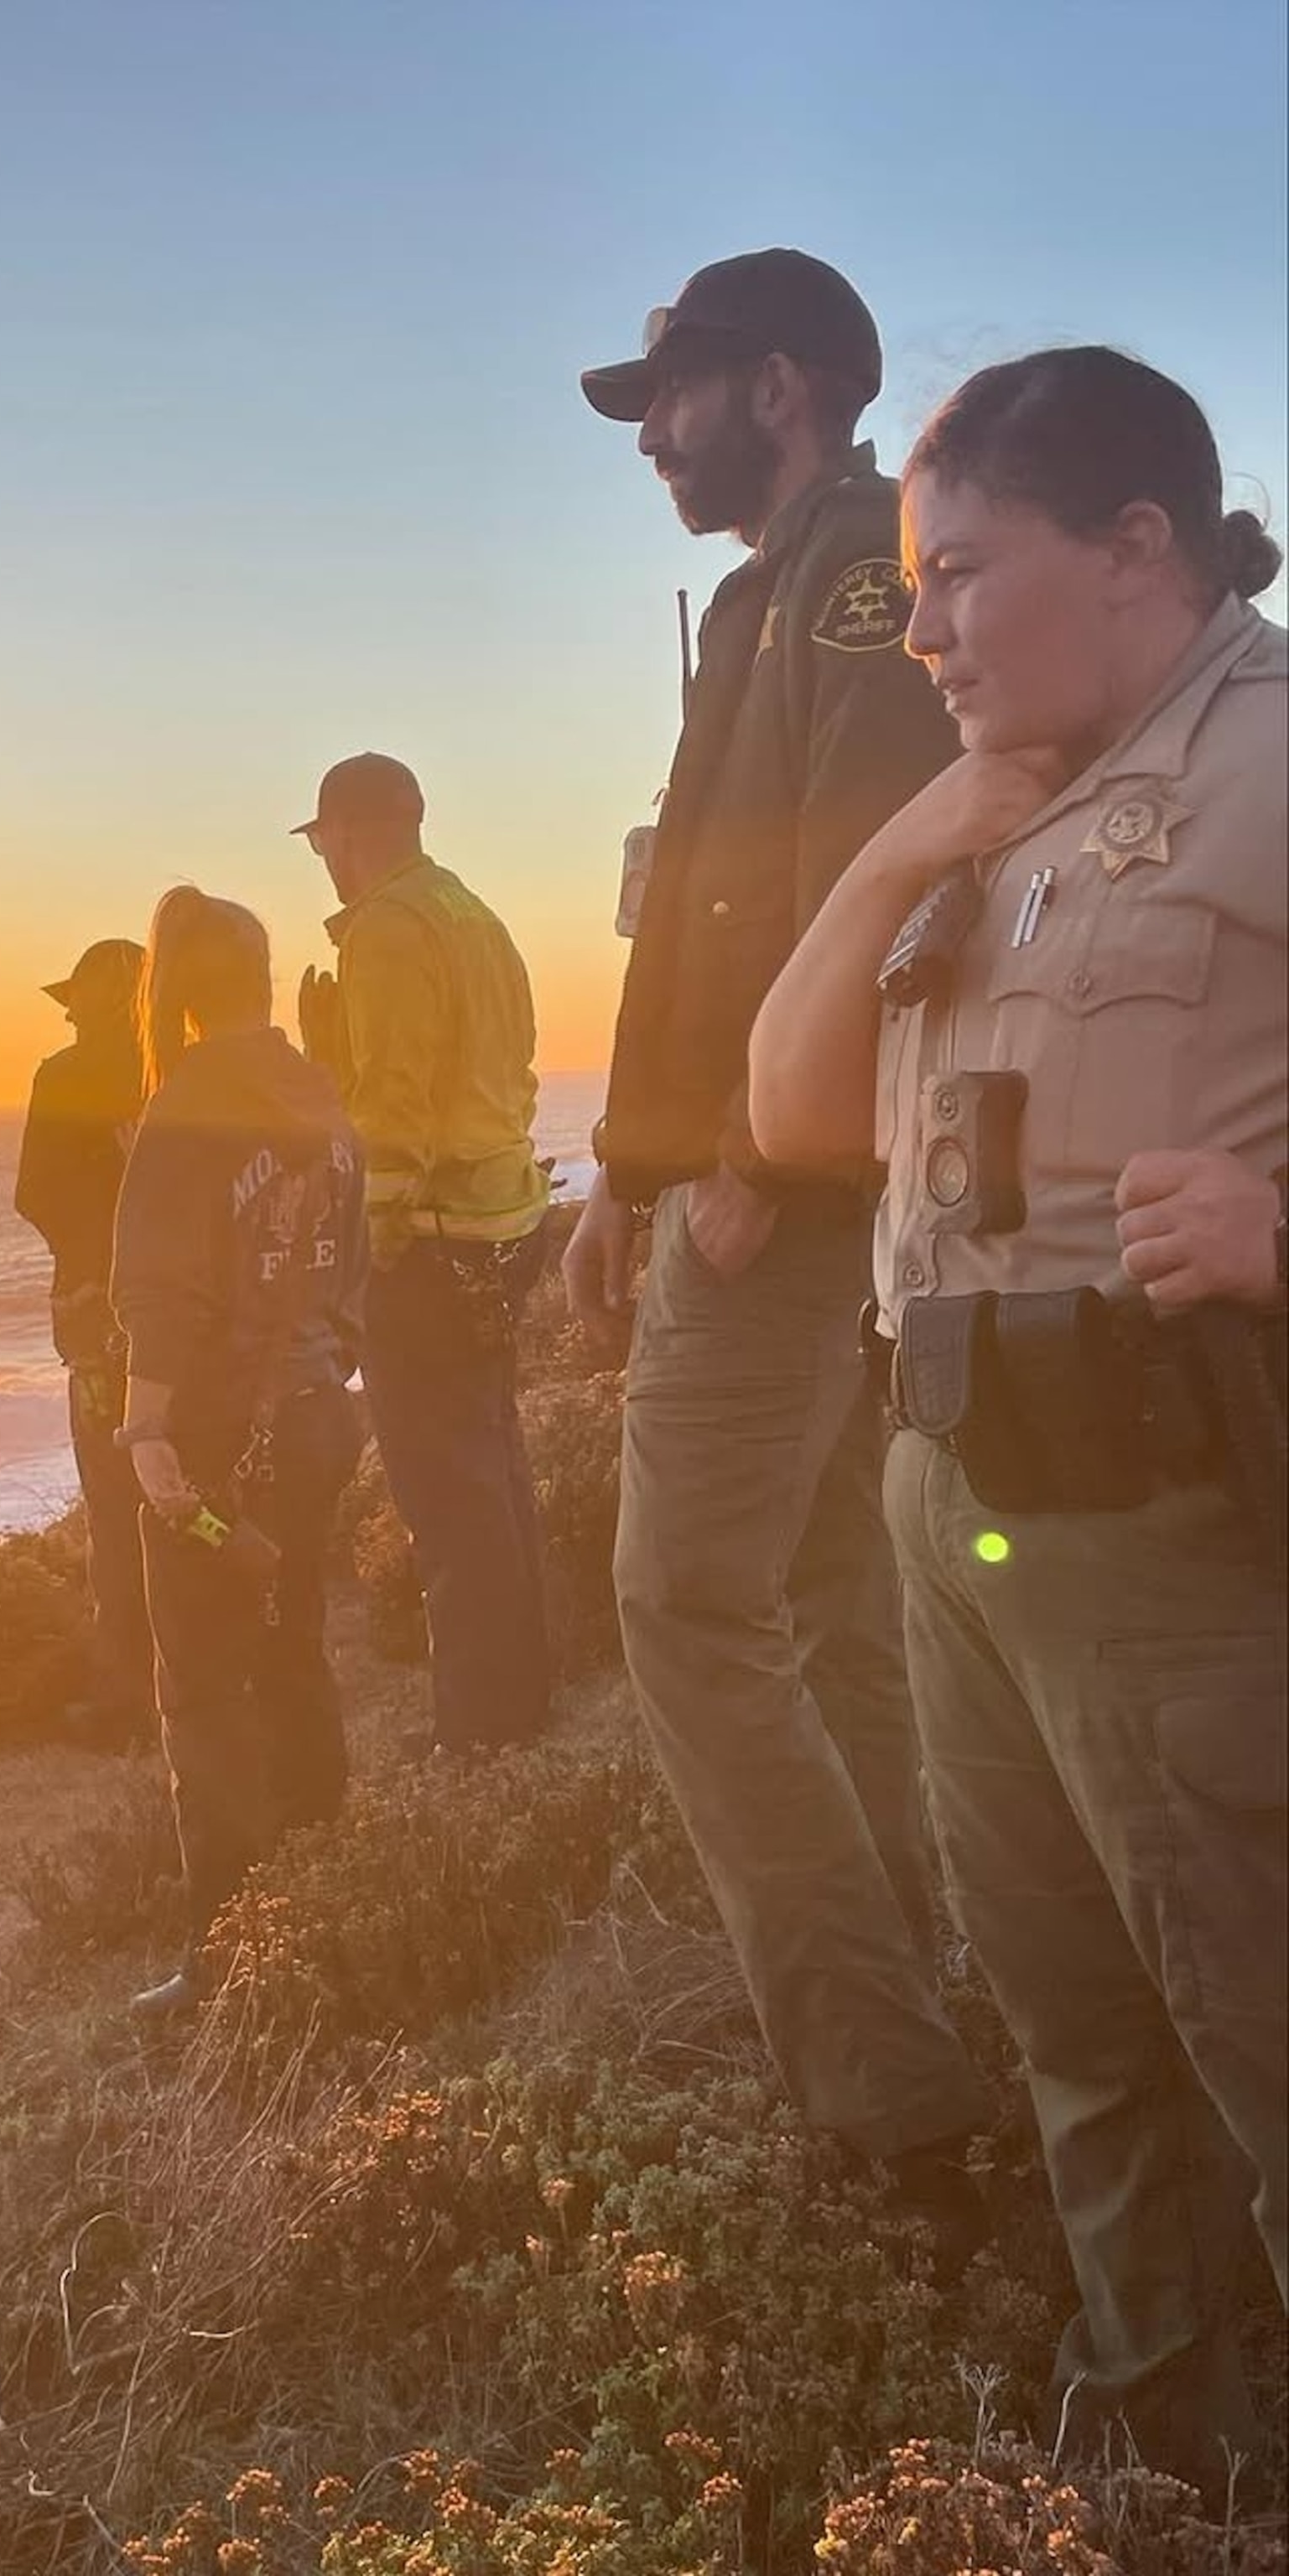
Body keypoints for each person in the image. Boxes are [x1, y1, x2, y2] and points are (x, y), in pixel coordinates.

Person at [749, 345, 1286, 2491]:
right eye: (909, 585)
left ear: (1136, 544)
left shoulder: (1268, 759)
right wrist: (892, 853)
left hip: (1167, 1520)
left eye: (962, 571)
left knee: (1260, 2015)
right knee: (1072, 2017)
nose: (928, 626)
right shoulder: (994, 806)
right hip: (956, 1504)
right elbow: (795, 1119)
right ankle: (1177, 2434)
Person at [568, 249, 992, 2226]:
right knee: (822, 1603)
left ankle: (888, 2101)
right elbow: (710, 914)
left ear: (789, 382)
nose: (652, 432)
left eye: (679, 390)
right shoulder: (769, 588)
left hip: (785, 1189)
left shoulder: (849, 573)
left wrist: (745, 1153)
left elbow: (864, 886)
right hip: (745, 1174)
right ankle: (925, 2012)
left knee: (686, 1607)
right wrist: (621, 1165)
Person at [112, 888, 368, 2012]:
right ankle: (337, 1903)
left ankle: (232, 1956)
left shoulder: (189, 1110)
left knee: (205, 1688)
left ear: (174, 991)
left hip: (221, 1439)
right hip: (317, 1414)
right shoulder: (322, 1094)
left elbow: (164, 1295)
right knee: (294, 1646)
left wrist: (146, 1429)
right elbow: (356, 1258)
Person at [292, 752, 552, 1753]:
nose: (325, 862)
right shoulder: (473, 915)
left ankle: (483, 1730)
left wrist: (365, 1259)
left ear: (348, 834)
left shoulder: (388, 931)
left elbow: (393, 1115)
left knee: (443, 1493)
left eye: (324, 842)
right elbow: (510, 1075)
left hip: (433, 1239)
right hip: (502, 1220)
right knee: (492, 1467)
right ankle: (521, 1698)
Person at [14, 938, 151, 1743]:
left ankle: (127, 1693)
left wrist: (87, 1263)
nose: (65, 1015)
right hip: (181, 1311)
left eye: (74, 1002)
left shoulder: (62, 1078)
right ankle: (201, 1663)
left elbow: (34, 1192)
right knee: (186, 1484)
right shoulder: (180, 1068)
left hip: (97, 1317)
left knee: (112, 1498)